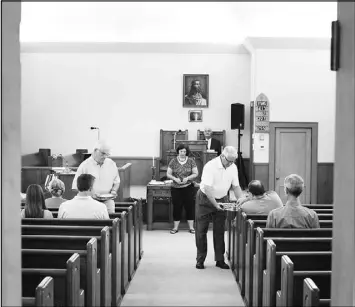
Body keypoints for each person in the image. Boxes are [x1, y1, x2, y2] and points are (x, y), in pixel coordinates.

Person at [195, 146, 243, 269]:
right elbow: (208, 189)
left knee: (220, 230)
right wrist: (215, 205)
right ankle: (200, 260)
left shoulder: (233, 167)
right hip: (205, 199)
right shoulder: (210, 166)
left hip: (222, 198)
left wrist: (242, 201)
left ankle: (220, 260)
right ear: (222, 156)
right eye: (229, 160)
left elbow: (236, 187)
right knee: (201, 231)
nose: (231, 163)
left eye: (233, 161)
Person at [72, 140, 120, 213]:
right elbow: (76, 187)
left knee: (110, 222)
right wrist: (91, 194)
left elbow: (117, 181)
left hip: (108, 202)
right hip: (90, 202)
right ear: (95, 151)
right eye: (103, 153)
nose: (105, 156)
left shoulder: (111, 164)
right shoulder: (84, 166)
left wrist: (114, 191)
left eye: (107, 154)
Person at [166, 143, 199, 234]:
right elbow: (168, 174)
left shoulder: (191, 161)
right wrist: (174, 178)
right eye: (181, 151)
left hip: (188, 187)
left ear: (186, 152)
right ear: (178, 151)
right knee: (177, 207)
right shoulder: (173, 161)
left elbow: (196, 173)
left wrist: (187, 178)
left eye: (184, 151)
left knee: (190, 207)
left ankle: (191, 228)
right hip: (176, 188)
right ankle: (175, 228)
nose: (183, 153)